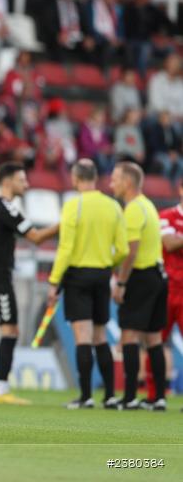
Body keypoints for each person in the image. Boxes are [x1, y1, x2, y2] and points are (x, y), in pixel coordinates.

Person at [0, 163, 58, 404]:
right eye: (22, 180)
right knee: (10, 330)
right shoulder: (6, 206)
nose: (26, 184)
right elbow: (36, 237)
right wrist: (66, 223)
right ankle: (2, 389)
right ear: (8, 181)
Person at [48, 159, 129, 410]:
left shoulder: (75, 205)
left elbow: (66, 248)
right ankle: (110, 396)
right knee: (100, 337)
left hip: (78, 276)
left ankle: (86, 396)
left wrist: (53, 281)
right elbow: (123, 249)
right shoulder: (113, 206)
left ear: (75, 178)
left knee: (82, 337)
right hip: (102, 275)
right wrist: (108, 264)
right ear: (95, 178)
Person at [109, 162, 168, 410]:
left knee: (129, 336)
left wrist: (121, 282)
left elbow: (131, 252)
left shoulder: (133, 209)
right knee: (154, 338)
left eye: (115, 179)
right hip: (158, 276)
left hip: (141, 277)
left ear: (128, 182)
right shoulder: (149, 206)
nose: (112, 183)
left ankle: (130, 397)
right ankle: (158, 398)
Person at [159, 178, 183, 411]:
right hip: (166, 289)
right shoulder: (166, 215)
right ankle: (157, 394)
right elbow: (169, 244)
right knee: (157, 341)